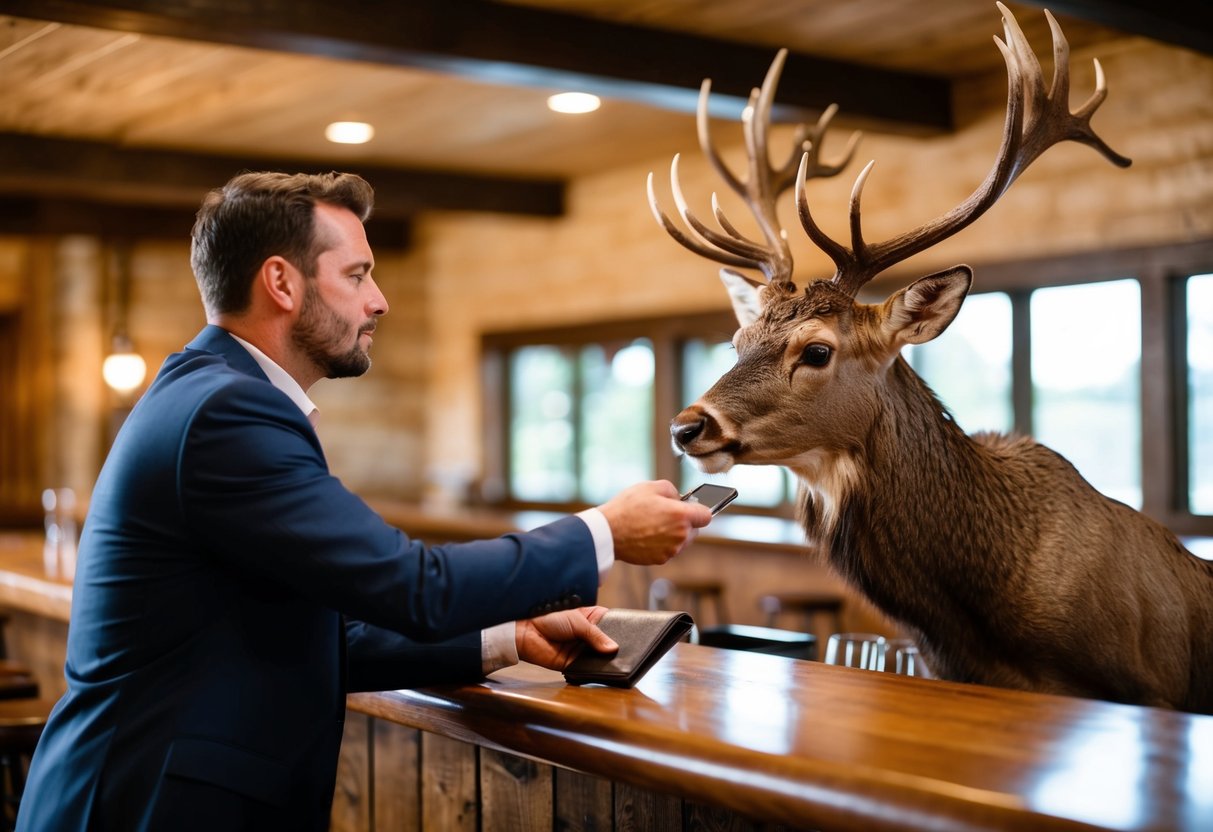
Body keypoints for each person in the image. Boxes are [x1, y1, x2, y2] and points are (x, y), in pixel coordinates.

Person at [16, 171, 714, 831]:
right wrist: (604, 532)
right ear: (281, 283)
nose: (378, 299)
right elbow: (411, 586)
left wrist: (508, 640)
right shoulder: (229, 412)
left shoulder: (212, 394)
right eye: (356, 275)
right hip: (144, 804)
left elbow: (308, 637)